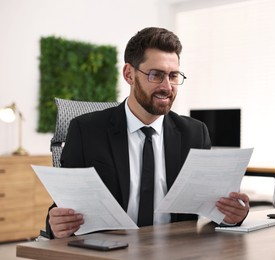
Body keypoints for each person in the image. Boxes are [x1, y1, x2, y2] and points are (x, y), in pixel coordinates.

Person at [46, 27, 250, 239]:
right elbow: (61, 210)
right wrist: (56, 224)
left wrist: (231, 216)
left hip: (177, 251)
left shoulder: (195, 133)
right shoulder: (86, 131)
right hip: (111, 252)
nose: (167, 87)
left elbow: (212, 209)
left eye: (173, 75)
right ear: (129, 74)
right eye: (156, 75)